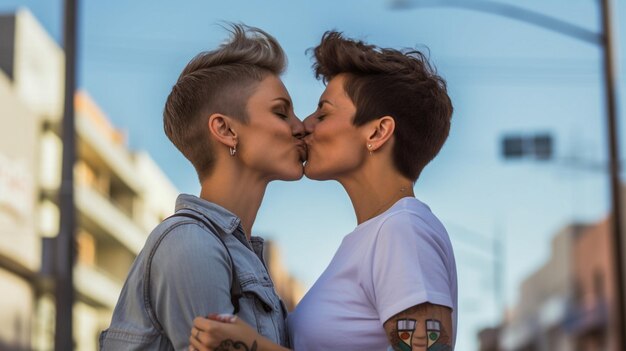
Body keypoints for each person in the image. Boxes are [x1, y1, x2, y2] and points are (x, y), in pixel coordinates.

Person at [189, 31, 457, 351]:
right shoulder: (373, 237)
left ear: (377, 132)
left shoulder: (403, 231)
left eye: (324, 113)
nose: (305, 125)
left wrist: (255, 347)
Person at [99, 24, 305, 350]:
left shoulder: (240, 254)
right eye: (281, 112)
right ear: (225, 129)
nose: (301, 127)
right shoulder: (192, 245)